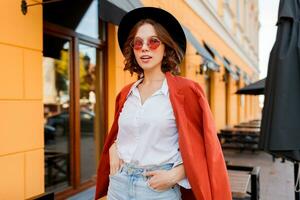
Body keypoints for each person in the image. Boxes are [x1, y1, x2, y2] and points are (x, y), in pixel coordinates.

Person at [94, 7, 231, 200]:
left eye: (153, 41)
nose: (145, 48)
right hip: (119, 184)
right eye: (138, 43)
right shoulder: (126, 93)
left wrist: (177, 174)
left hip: (157, 188)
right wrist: (113, 147)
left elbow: (204, 147)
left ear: (166, 46)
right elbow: (127, 132)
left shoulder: (187, 91)